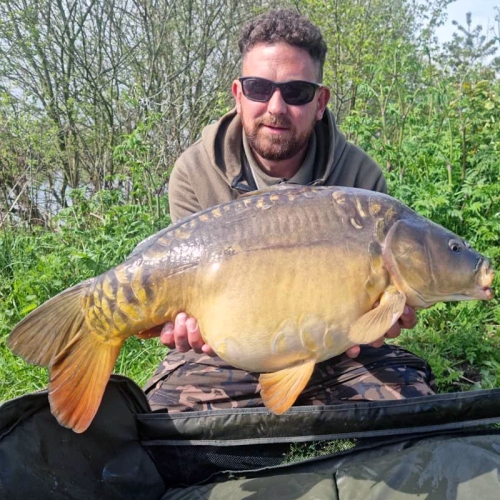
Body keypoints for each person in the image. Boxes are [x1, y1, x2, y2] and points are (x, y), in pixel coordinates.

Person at [143, 9, 435, 412]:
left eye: (296, 92)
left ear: (320, 102)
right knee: (163, 421)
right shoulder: (196, 172)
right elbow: (184, 297)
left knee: (412, 404)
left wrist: (382, 320)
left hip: (334, 355)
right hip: (227, 354)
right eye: (259, 88)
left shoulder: (360, 179)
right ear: (238, 94)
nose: (276, 107)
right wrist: (183, 323)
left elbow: (373, 318)